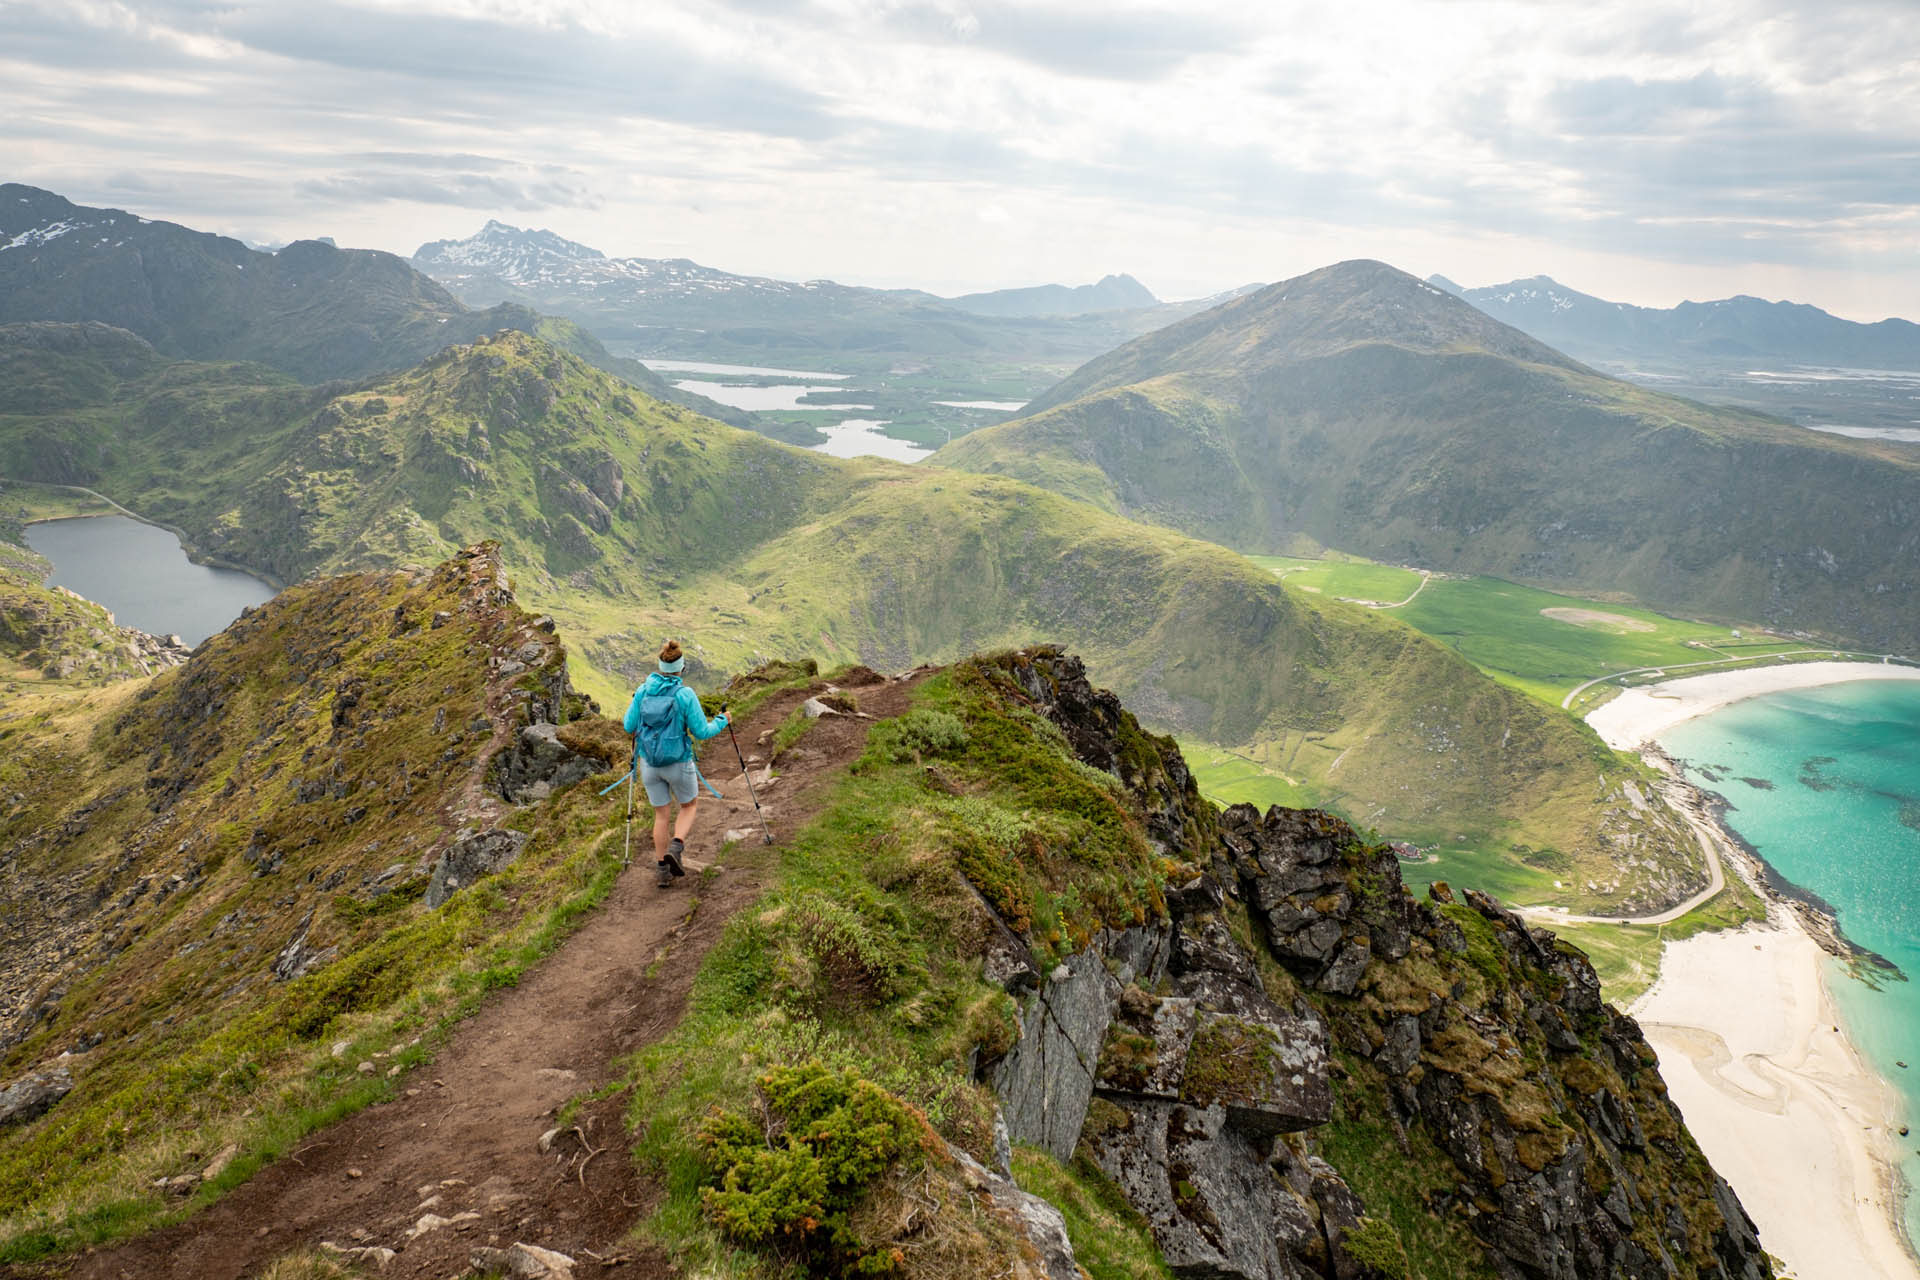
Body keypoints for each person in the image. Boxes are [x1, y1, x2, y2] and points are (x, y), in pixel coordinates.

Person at [623, 640, 730, 888]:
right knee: (689, 805)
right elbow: (702, 732)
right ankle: (677, 845)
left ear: (660, 666)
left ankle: (662, 871)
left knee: (661, 815)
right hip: (678, 762)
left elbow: (629, 726)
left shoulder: (642, 691)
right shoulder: (685, 694)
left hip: (649, 763)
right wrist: (723, 720)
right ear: (682, 668)